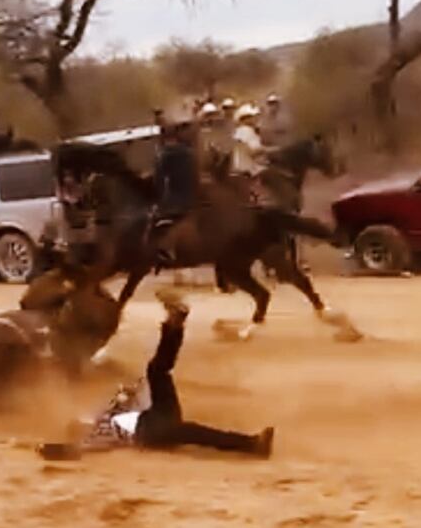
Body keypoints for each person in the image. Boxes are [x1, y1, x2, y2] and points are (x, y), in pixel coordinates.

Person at [38, 291, 274, 460]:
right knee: (195, 432)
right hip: (151, 432)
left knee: (157, 370)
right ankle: (251, 445)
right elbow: (77, 450)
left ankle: (175, 324)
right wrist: (52, 449)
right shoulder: (95, 433)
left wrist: (127, 391)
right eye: (77, 424)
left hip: (156, 415)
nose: (81, 421)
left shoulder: (105, 416)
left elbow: (128, 395)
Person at [151, 113, 199, 265]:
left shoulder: (168, 153)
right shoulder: (188, 152)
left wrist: (157, 197)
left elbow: (159, 178)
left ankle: (166, 247)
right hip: (189, 194)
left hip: (177, 196)